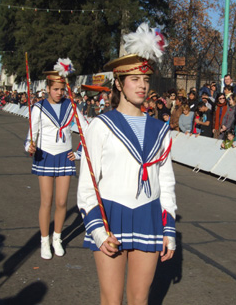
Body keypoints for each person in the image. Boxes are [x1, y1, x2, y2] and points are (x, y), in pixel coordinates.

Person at [77, 23, 177, 305]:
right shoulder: (100, 126)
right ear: (119, 84)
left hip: (148, 215)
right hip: (110, 216)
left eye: (145, 80)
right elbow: (87, 185)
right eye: (134, 79)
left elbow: (166, 182)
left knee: (139, 299)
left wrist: (168, 228)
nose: (142, 85)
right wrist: (97, 229)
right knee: (111, 300)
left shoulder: (160, 129)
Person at [24, 59, 87, 260]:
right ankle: (44, 240)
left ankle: (57, 238)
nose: (59, 93)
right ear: (48, 88)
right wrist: (30, 147)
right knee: (47, 201)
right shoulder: (38, 108)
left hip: (65, 157)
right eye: (56, 89)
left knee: (61, 202)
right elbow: (30, 136)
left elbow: (87, 130)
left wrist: (78, 153)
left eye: (62, 89)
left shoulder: (71, 106)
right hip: (44, 156)